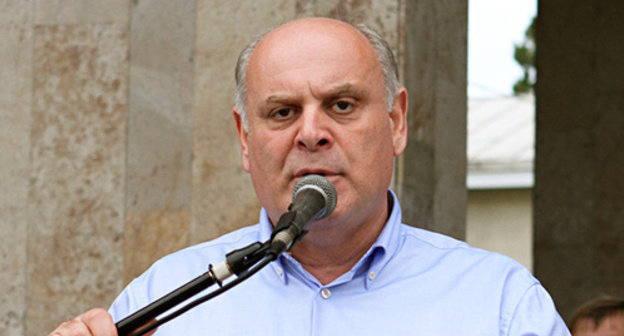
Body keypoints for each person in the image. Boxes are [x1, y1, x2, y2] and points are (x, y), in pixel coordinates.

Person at [49, 17, 571, 335]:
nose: (311, 133)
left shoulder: (500, 306)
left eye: (342, 105)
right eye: (282, 112)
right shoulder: (164, 301)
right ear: (244, 139)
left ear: (396, 122)